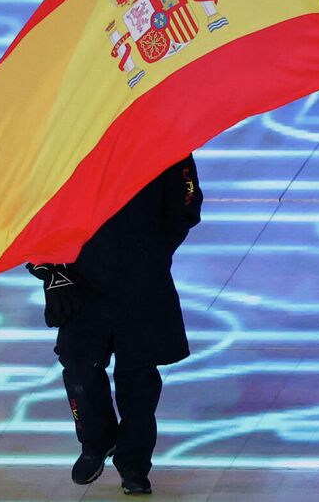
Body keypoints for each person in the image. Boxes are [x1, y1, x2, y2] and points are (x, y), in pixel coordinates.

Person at [30, 155, 202, 496]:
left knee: (138, 381)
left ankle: (135, 466)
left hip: (142, 281)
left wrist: (151, 253)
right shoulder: (68, 138)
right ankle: (96, 440)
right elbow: (33, 208)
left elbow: (186, 202)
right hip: (82, 280)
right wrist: (50, 270)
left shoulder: (165, 140)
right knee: (78, 364)